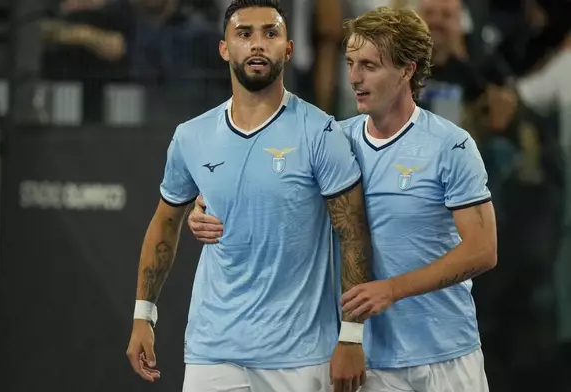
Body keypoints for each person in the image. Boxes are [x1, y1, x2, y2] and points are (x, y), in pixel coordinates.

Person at [188, 6, 498, 392]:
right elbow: (264, 186)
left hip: (450, 355)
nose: (354, 78)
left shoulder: (451, 145)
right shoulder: (333, 139)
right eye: (350, 63)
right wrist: (204, 208)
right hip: (370, 363)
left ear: (408, 70)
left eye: (369, 65)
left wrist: (392, 289)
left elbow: (482, 251)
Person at [125, 1, 373, 391]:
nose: (257, 44)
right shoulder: (191, 136)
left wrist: (352, 335)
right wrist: (143, 314)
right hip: (214, 352)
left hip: (300, 356)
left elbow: (353, 232)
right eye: (244, 34)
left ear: (288, 49)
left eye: (270, 33)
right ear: (225, 48)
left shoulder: (321, 132)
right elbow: (165, 222)